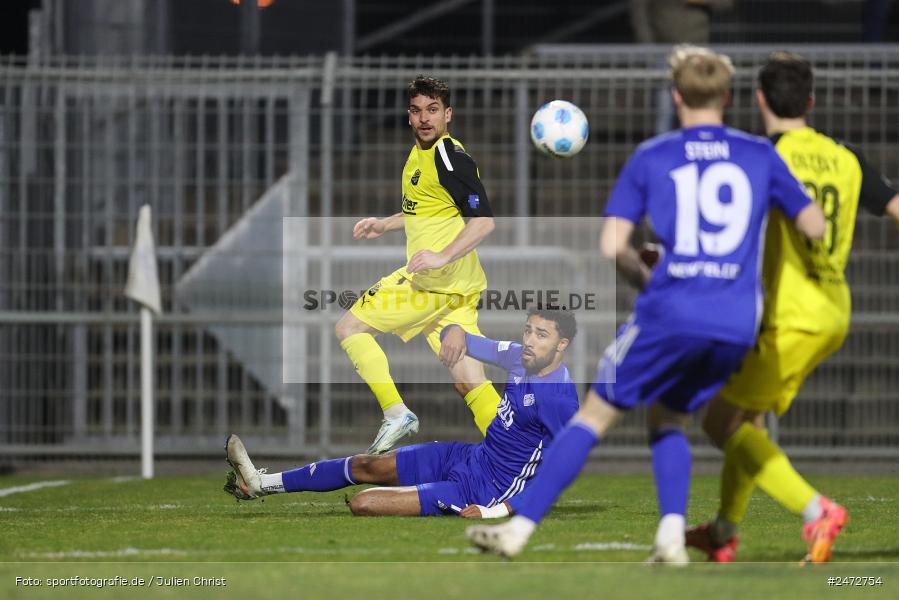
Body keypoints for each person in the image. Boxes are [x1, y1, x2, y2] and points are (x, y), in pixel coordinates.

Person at [465, 45, 826, 563]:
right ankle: (671, 539)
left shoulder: (654, 156)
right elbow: (813, 225)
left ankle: (517, 531)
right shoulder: (759, 154)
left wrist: (644, 274)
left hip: (672, 310)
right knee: (669, 414)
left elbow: (612, 246)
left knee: (594, 415)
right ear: (727, 96)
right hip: (735, 322)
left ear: (676, 95)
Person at [687, 52, 899, 564]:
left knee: (719, 422)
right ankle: (723, 532)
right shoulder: (845, 156)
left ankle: (817, 510)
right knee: (748, 420)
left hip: (787, 314)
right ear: (811, 100)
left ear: (757, 100)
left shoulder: (762, 157)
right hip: (834, 308)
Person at [224, 308, 579, 518]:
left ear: (561, 345)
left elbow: (561, 472)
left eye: (541, 335)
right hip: (470, 456)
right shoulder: (520, 356)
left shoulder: (559, 399)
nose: (530, 340)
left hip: (487, 489)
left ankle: (433, 494)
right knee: (368, 465)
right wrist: (454, 332)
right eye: (528, 330)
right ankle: (257, 483)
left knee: (363, 504)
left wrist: (497, 511)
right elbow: (467, 338)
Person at [335, 75, 501, 454]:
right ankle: (515, 457)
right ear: (408, 116)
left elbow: (484, 221)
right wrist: (386, 223)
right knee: (469, 382)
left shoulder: (448, 155)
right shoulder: (418, 156)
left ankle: (396, 413)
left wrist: (442, 256)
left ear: (448, 114)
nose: (425, 118)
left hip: (432, 286)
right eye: (416, 110)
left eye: (433, 110)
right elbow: (425, 210)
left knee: (349, 328)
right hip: (457, 290)